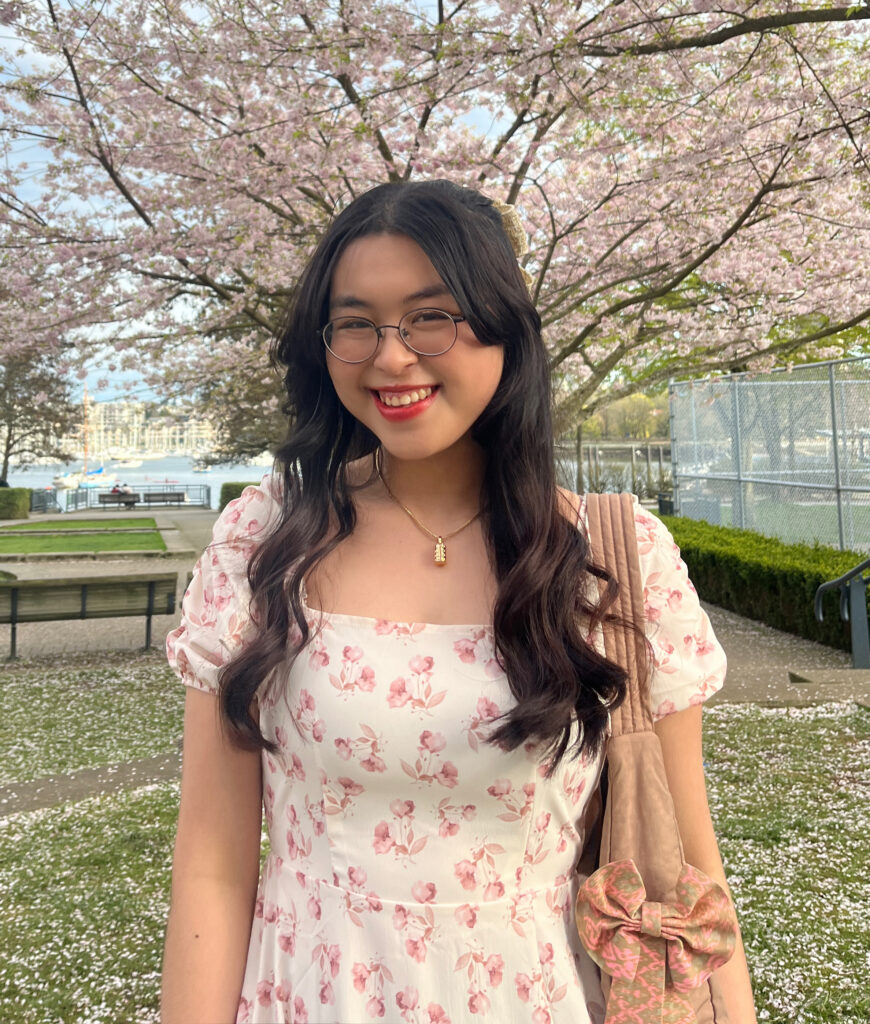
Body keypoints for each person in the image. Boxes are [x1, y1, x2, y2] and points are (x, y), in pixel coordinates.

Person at [162, 180, 756, 1024]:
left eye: (432, 316)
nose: (391, 357)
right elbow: (213, 868)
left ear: (505, 327)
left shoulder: (614, 564)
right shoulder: (265, 543)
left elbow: (693, 869)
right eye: (356, 321)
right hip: (313, 993)